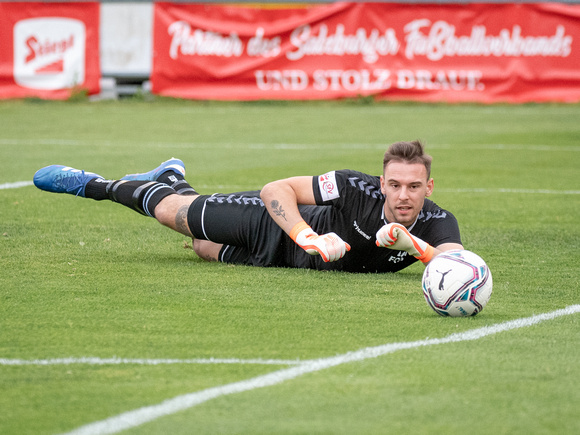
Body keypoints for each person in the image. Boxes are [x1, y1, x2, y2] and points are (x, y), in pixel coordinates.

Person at [33, 140, 463, 273]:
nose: (403, 195)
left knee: (204, 247)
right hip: (272, 228)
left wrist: (411, 245)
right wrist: (306, 236)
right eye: (394, 184)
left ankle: (170, 178)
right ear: (382, 182)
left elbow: (455, 262)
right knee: (173, 216)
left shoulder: (438, 221)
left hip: (282, 263)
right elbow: (276, 189)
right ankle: (94, 184)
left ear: (429, 186)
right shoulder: (355, 188)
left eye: (413, 187)